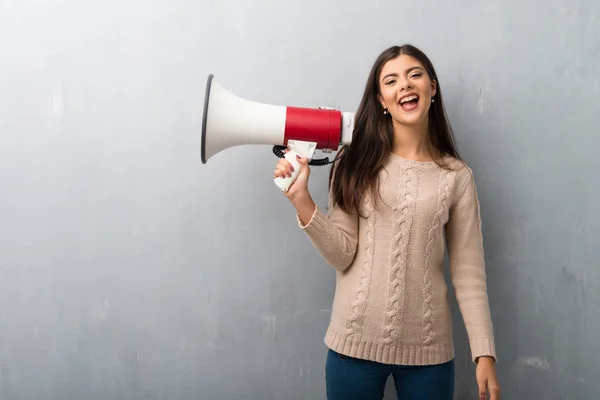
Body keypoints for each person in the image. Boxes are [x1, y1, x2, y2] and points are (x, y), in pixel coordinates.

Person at [274, 44, 501, 400]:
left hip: (429, 355)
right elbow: (342, 255)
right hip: (353, 348)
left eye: (415, 75)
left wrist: (483, 353)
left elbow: (469, 273)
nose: (405, 86)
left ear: (432, 87)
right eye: (391, 80)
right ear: (381, 99)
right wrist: (301, 199)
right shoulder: (353, 163)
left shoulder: (456, 177)